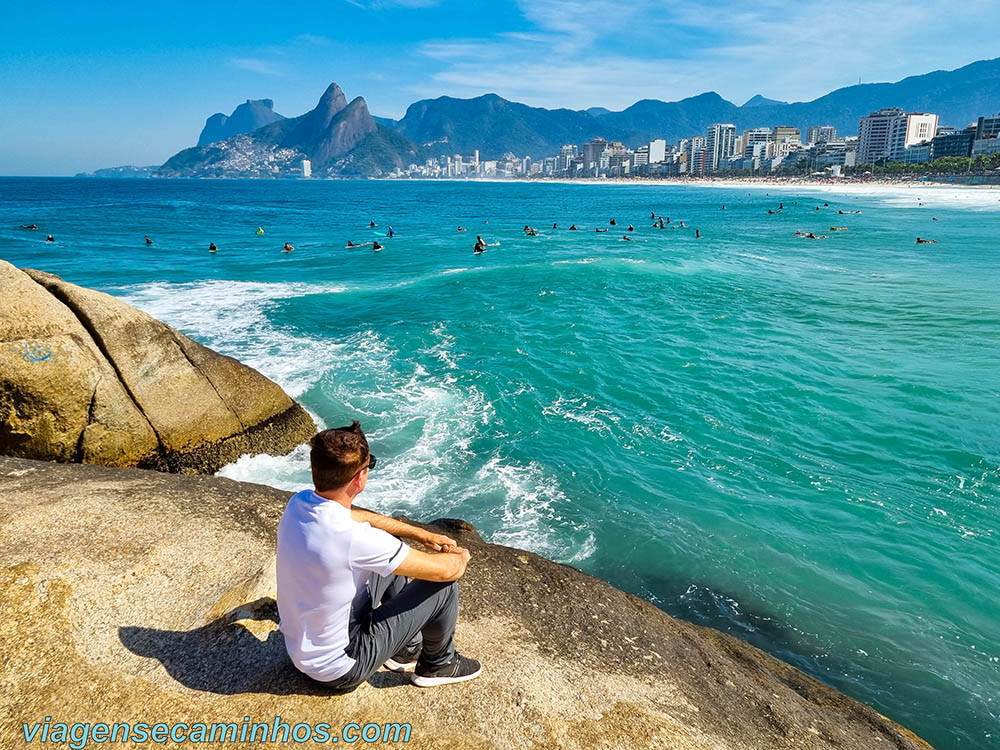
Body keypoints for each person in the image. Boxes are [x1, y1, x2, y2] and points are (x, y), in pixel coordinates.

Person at [277, 423, 481, 691]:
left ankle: (406, 648)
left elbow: (360, 518)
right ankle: (438, 664)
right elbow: (445, 571)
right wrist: (461, 556)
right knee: (442, 586)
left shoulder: (299, 503)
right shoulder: (354, 539)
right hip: (342, 667)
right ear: (359, 479)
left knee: (392, 548)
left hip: (301, 652)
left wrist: (420, 534)